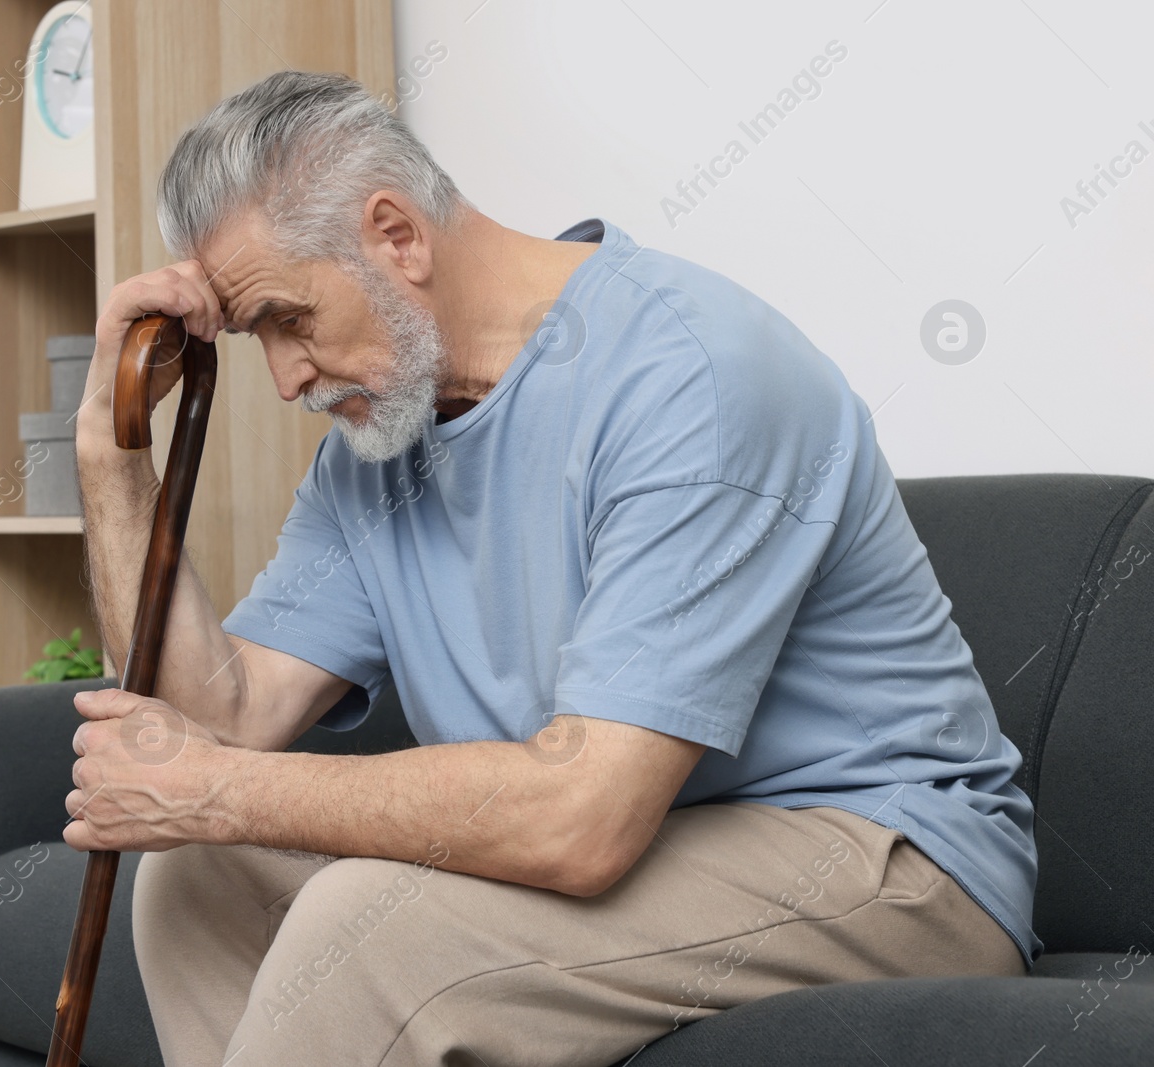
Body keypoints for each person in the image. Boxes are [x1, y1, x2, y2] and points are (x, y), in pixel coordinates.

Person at [65, 69, 1038, 1067]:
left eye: (289, 319)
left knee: (372, 931)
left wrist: (221, 790)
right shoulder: (375, 448)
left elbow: (583, 819)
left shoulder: (687, 376)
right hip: (658, 844)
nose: (284, 379)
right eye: (254, 333)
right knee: (196, 879)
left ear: (396, 235)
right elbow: (215, 720)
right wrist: (108, 451)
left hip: (887, 863)